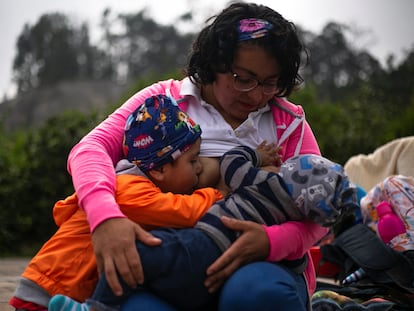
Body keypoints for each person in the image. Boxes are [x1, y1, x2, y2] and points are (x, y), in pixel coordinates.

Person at [63, 2, 328, 310]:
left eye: (271, 83)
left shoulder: (288, 123)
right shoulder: (165, 103)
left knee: (256, 295)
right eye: (243, 78)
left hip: (262, 266)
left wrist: (272, 242)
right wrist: (105, 218)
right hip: (169, 261)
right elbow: (90, 149)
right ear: (215, 62)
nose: (257, 95)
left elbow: (322, 205)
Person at [48, 146, 358, 311]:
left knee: (142, 250)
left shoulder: (269, 183)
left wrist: (257, 155)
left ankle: (95, 308)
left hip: (203, 246)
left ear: (292, 176)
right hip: (209, 262)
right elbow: (298, 257)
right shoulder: (295, 210)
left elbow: (233, 165)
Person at [9, 95, 233, 310]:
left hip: (61, 288)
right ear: (160, 169)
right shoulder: (131, 191)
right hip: (49, 291)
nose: (199, 167)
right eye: (192, 160)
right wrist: (220, 193)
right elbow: (186, 212)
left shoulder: (131, 186)